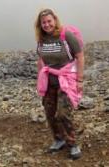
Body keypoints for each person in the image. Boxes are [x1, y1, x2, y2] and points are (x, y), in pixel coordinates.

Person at [34, 8, 84, 159]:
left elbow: (80, 56)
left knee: (63, 113)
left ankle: (73, 143)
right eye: (44, 22)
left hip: (66, 81)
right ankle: (58, 139)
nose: (47, 25)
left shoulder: (65, 35)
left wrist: (80, 80)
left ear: (55, 20)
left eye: (49, 21)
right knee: (49, 112)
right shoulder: (41, 39)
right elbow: (40, 59)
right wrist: (40, 77)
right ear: (40, 24)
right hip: (49, 81)